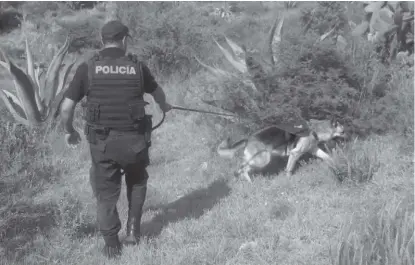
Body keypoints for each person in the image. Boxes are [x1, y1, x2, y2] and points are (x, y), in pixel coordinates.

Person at [60, 20, 172, 259]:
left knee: (106, 192)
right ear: (124, 40)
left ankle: (112, 244)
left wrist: (69, 131)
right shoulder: (137, 67)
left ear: (102, 41)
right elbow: (158, 93)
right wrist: (165, 106)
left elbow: (66, 107)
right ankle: (133, 231)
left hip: (102, 144)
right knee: (137, 181)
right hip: (135, 141)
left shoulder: (88, 68)